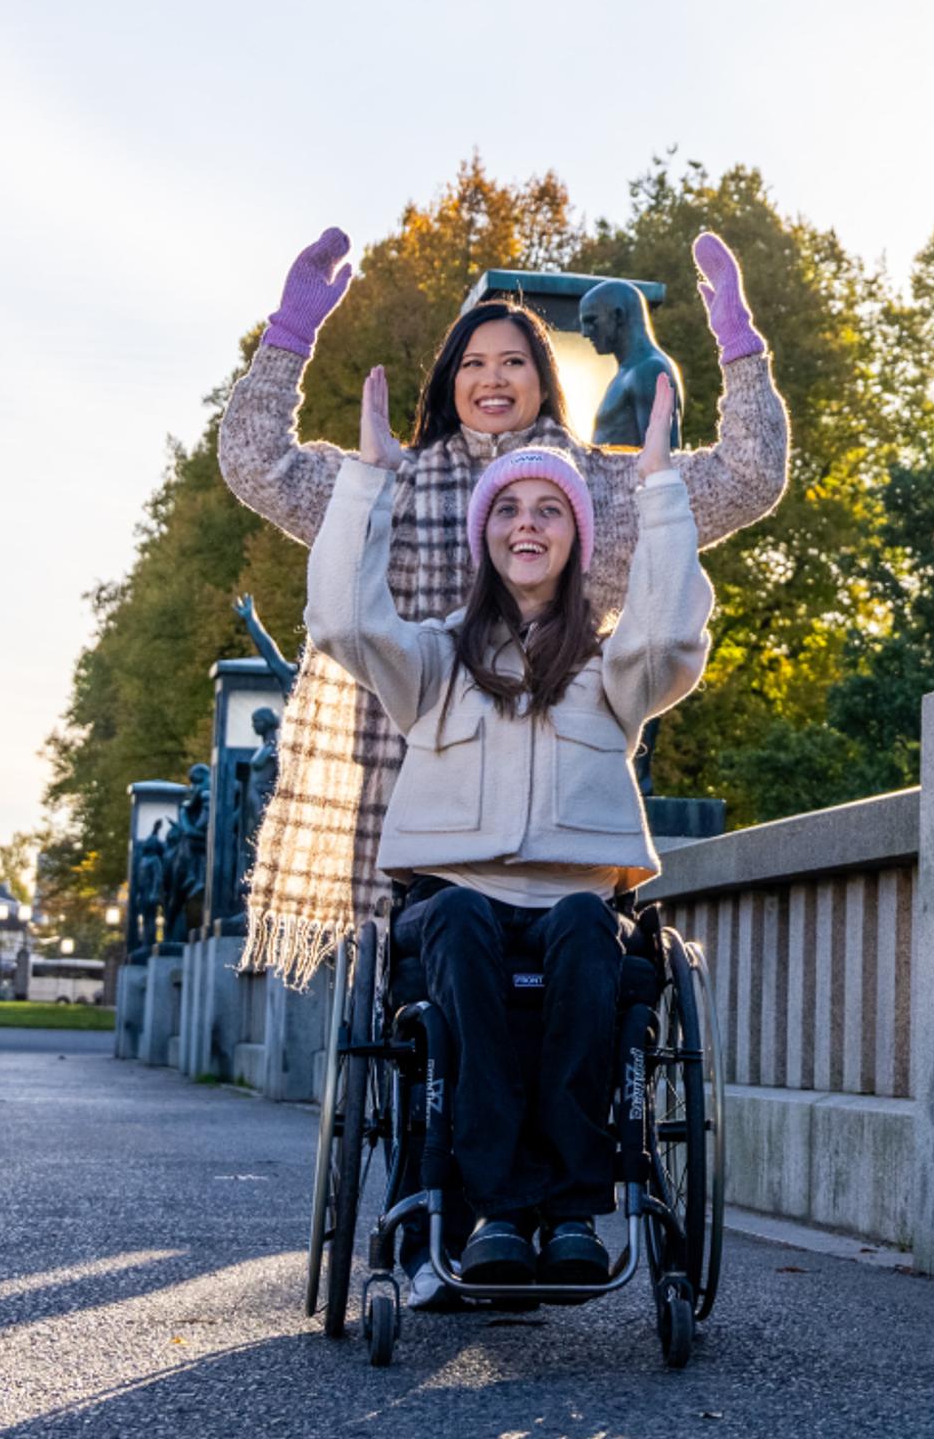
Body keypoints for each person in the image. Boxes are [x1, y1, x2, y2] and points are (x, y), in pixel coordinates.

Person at [219, 233, 787, 984]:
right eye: (473, 363)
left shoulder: (602, 490)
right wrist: (288, 338)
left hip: (561, 787)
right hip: (410, 780)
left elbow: (750, 475)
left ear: (544, 379)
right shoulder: (395, 478)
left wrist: (740, 349)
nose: (493, 379)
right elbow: (255, 460)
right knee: (422, 987)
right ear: (448, 380)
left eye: (514, 361)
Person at [306, 367, 707, 1300]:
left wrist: (660, 485)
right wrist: (367, 478)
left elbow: (674, 637)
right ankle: (491, 1209)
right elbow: (342, 622)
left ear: (575, 538)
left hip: (575, 910)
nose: (527, 524)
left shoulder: (612, 672)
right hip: (452, 912)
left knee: (580, 925)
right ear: (485, 537)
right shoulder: (435, 661)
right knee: (457, 926)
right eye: (508, 511)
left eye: (550, 511)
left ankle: (570, 1210)